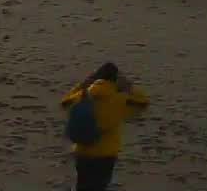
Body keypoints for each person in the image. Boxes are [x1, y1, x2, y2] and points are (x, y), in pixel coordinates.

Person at [58, 61, 150, 191]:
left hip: (82, 151)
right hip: (105, 154)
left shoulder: (82, 96)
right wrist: (128, 86)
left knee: (82, 186)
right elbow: (143, 103)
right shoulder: (120, 100)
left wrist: (84, 84)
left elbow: (64, 102)